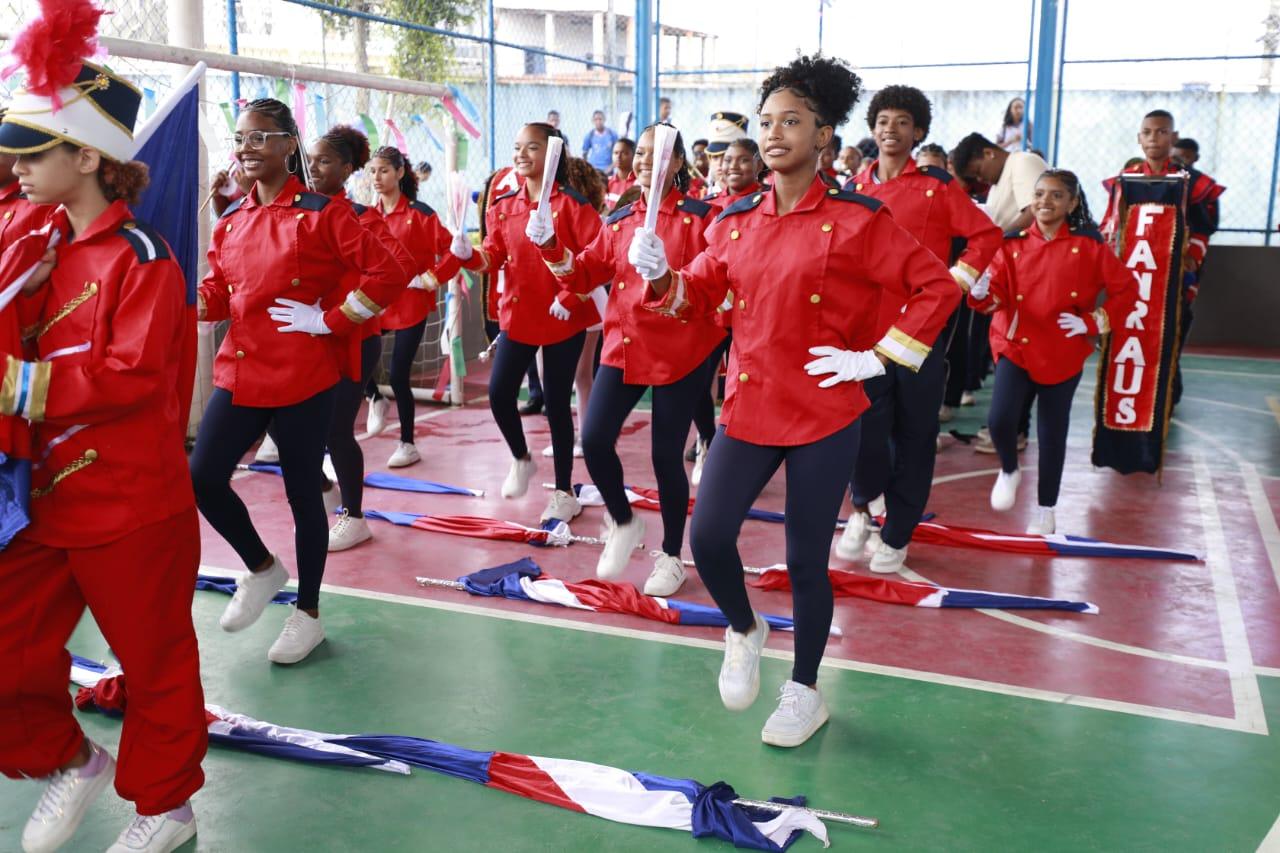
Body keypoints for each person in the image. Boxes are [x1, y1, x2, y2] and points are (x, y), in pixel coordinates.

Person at [627, 55, 959, 747]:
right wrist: (662, 277)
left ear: (824, 136)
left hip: (823, 412)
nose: (775, 133)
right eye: (768, 121)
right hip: (748, 405)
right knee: (709, 536)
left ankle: (806, 690)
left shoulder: (859, 219)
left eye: (793, 122)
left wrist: (878, 357)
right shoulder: (737, 219)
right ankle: (744, 626)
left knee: (808, 559)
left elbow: (937, 287)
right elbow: (699, 296)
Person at [0, 34, 207, 851]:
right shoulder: (30, 244)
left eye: (32, 152)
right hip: (39, 500)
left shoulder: (143, 260)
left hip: (129, 503)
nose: (14, 166)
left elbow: (128, 379)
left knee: (156, 666)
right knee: (8, 649)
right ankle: (68, 758)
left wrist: (15, 386)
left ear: (87, 157)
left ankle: (166, 807)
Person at [191, 99, 401, 665]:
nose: (245, 149)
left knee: (302, 492)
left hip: (304, 375)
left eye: (260, 138)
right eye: (240, 139)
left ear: (289, 146)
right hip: (240, 370)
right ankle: (262, 568)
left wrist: (331, 320)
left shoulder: (324, 213)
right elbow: (220, 292)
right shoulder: (230, 219)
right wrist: (188, 299)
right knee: (203, 477)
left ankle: (306, 613)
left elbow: (390, 270)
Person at [531, 123, 722, 595]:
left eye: (657, 155)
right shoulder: (618, 220)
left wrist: (668, 274)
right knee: (594, 440)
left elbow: (712, 286)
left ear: (676, 164)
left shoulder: (704, 219)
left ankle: (673, 555)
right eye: (640, 152)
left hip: (682, 350)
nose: (643, 161)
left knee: (664, 457)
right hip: (625, 344)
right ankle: (623, 519)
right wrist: (550, 244)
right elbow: (580, 275)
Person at [836, 85, 1001, 573]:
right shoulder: (852, 191)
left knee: (914, 431)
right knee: (863, 427)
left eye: (903, 121)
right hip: (863, 334)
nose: (891, 129)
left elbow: (985, 235)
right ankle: (866, 504)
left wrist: (956, 281)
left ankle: (898, 531)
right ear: (872, 128)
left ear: (919, 131)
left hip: (923, 331)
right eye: (883, 120)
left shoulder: (936, 186)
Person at [969, 170, 1137, 533]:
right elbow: (995, 296)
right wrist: (982, 292)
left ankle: (1046, 508)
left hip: (1063, 349)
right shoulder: (1010, 244)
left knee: (1052, 432)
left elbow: (1127, 289)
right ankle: (1009, 469)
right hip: (1016, 344)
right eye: (1040, 193)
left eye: (1057, 195)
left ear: (1072, 203)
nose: (1046, 201)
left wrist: (1094, 322)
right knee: (999, 419)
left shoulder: (1090, 246)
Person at [451, 123, 603, 523]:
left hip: (563, 317)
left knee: (556, 403)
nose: (521, 154)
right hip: (519, 316)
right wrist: (468, 254)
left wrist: (570, 297)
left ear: (552, 154)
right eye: (517, 147)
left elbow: (598, 261)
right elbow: (491, 258)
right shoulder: (503, 205)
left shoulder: (572, 205)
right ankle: (521, 457)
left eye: (531, 147)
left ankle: (565, 491)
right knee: (500, 394)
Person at [307, 127, 416, 551]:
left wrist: (348, 310)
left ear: (348, 170)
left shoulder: (360, 215)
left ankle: (354, 517)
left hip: (351, 337)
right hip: (306, 335)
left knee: (336, 430)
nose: (315, 167)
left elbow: (400, 266)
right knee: (283, 428)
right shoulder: (302, 209)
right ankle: (325, 490)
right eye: (311, 159)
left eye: (326, 161)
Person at [1099, 111, 1223, 407]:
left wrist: (1190, 257)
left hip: (1173, 279)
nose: (1154, 138)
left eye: (1161, 131)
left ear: (1173, 137)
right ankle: (1130, 402)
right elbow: (1110, 225)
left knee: (1167, 339)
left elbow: (1205, 227)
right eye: (1147, 132)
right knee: (1129, 339)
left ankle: (1164, 403)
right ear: (1139, 138)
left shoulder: (1192, 182)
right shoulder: (1124, 180)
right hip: (1131, 277)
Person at [361, 146, 460, 468]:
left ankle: (407, 443)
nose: (377, 177)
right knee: (349, 353)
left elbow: (453, 252)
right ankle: (375, 397)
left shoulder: (420, 214)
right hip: (374, 303)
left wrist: (431, 278)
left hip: (410, 307)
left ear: (400, 172)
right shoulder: (366, 215)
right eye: (372, 171)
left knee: (399, 375)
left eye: (384, 171)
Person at [606, 137, 636, 207]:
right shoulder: (606, 182)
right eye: (615, 153)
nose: (618, 156)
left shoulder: (639, 184)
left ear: (634, 156)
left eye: (624, 153)